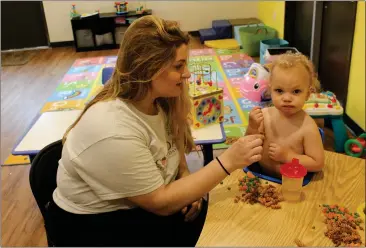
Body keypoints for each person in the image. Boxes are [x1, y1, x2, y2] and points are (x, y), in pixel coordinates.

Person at [46, 15, 264, 247]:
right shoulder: (113, 129)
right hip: (93, 228)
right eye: (179, 66)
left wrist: (185, 176)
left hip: (145, 204)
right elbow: (160, 203)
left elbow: (174, 144)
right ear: (148, 68)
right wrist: (227, 161)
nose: (187, 74)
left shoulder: (161, 101)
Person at [245, 53, 324, 178]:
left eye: (296, 91)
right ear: (270, 90)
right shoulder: (265, 116)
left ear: (308, 94)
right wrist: (252, 127)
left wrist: (288, 156)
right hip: (260, 176)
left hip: (291, 183)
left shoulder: (308, 127)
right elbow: (248, 146)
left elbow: (317, 163)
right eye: (279, 91)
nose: (287, 98)